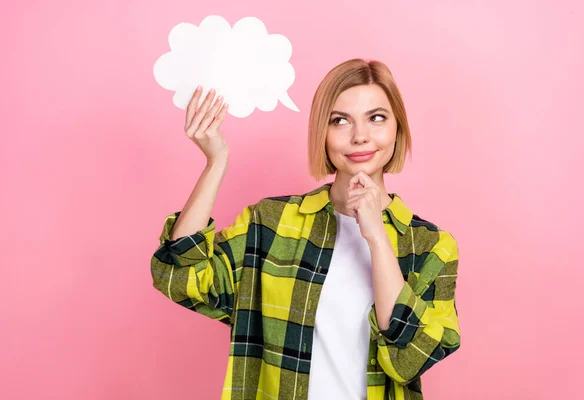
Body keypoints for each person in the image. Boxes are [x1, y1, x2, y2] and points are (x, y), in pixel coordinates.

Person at [150, 58, 461, 400]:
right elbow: (180, 277)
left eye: (376, 118)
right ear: (322, 134)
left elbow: (410, 361)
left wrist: (375, 235)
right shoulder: (272, 223)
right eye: (340, 121)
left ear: (397, 128)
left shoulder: (432, 247)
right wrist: (215, 163)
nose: (360, 136)